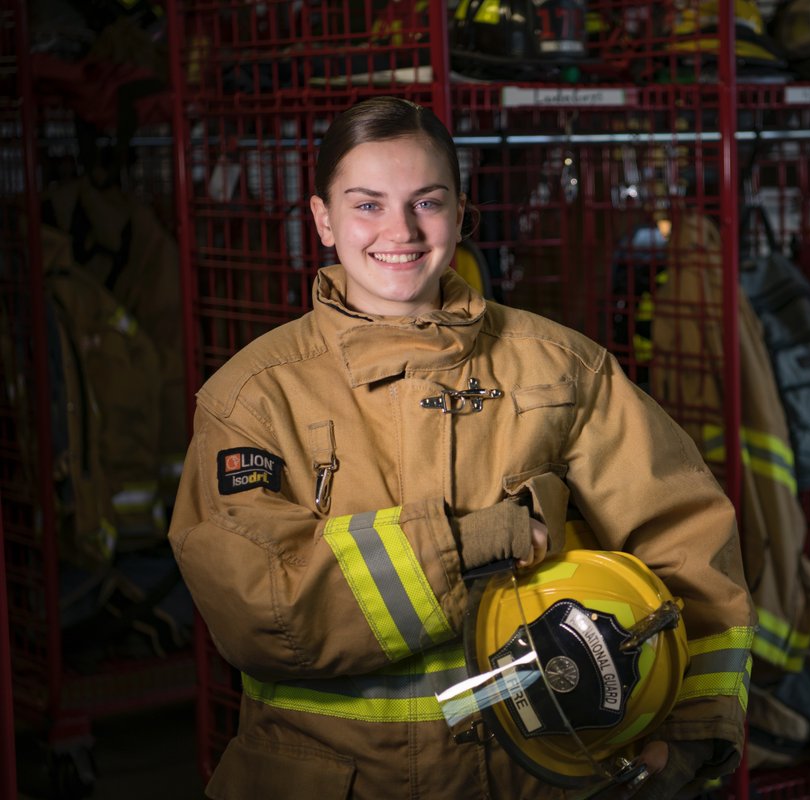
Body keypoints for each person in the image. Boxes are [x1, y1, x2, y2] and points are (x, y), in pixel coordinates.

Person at [167, 96, 755, 800]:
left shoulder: (560, 369)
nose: (401, 231)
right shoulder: (253, 399)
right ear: (322, 218)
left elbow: (687, 543)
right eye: (367, 205)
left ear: (460, 210)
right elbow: (259, 611)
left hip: (534, 778)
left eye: (426, 202)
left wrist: (689, 737)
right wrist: (468, 545)